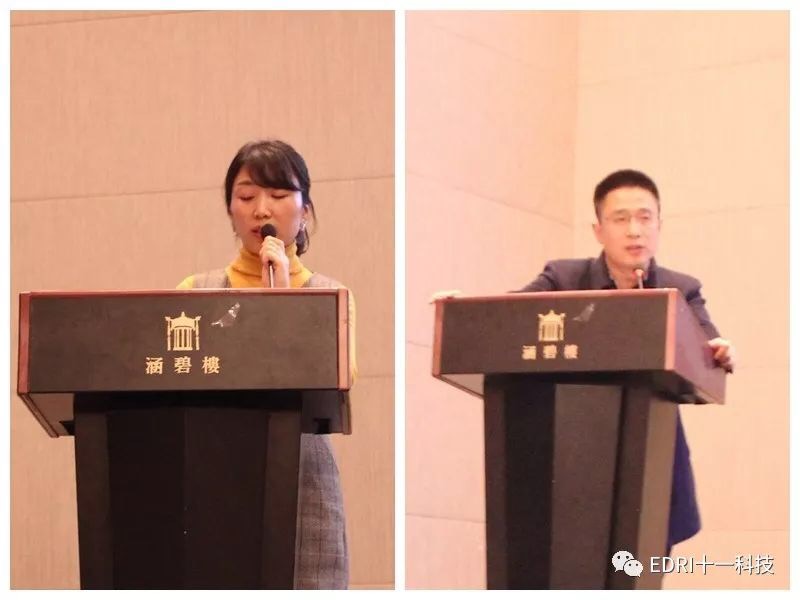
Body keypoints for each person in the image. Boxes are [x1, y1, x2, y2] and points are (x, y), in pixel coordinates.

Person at [518, 169, 735, 556]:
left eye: (645, 218)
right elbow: (508, 318)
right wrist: (460, 312)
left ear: (659, 225)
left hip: (651, 449)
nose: (635, 231)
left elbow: (709, 348)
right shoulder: (563, 278)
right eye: (621, 219)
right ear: (598, 230)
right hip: (570, 445)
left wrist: (720, 353)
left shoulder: (681, 289)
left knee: (640, 566)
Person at [177, 139, 356, 589]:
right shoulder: (193, 293)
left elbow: (336, 385)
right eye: (246, 196)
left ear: (304, 210)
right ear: (230, 210)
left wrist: (282, 300)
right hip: (214, 475)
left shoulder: (332, 297)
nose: (261, 210)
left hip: (303, 481)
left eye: (278, 195)